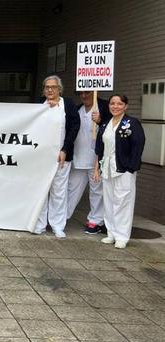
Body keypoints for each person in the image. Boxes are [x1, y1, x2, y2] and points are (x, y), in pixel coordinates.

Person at [93, 95, 145, 249]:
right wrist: (97, 168)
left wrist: (131, 167)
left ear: (125, 106)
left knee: (123, 202)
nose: (115, 106)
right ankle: (111, 233)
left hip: (124, 168)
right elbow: (99, 148)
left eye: (119, 104)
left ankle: (122, 236)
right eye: (112, 103)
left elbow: (138, 145)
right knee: (109, 202)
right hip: (107, 168)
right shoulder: (105, 123)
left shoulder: (132, 123)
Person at [32, 75, 80, 239]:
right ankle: (39, 223)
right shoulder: (39, 104)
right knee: (41, 190)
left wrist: (65, 149)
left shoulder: (68, 105)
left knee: (59, 191)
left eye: (53, 87)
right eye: (47, 87)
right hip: (41, 156)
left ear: (59, 89)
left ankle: (57, 225)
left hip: (61, 155)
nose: (50, 90)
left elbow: (74, 127)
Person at [67, 90, 112, 233]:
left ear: (95, 92)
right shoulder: (77, 109)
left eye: (87, 92)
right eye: (81, 93)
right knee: (70, 189)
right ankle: (61, 217)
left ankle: (95, 221)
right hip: (78, 157)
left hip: (96, 158)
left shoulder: (105, 107)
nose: (84, 95)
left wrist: (101, 120)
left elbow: (112, 127)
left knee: (97, 191)